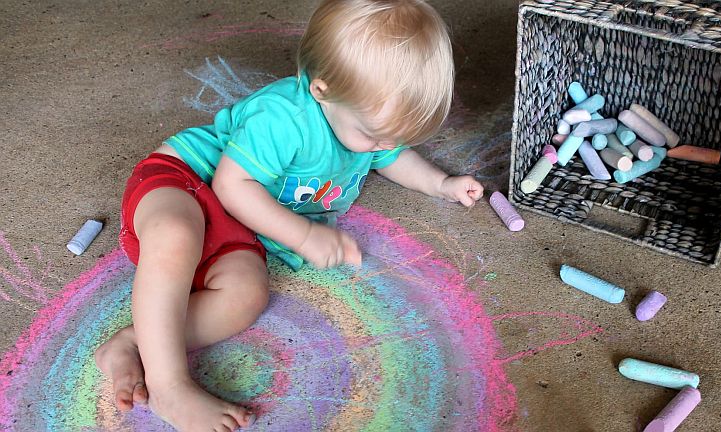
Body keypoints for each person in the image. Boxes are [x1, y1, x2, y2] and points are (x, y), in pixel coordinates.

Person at [94, 0, 484, 430]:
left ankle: (135, 342)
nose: (380, 147)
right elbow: (231, 186)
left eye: (392, 137)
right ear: (322, 91)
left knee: (246, 295)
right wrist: (302, 235)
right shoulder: (282, 117)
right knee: (174, 235)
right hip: (186, 181)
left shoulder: (367, 119)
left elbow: (393, 155)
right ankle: (170, 387)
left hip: (239, 226)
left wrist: (439, 183)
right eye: (373, 135)